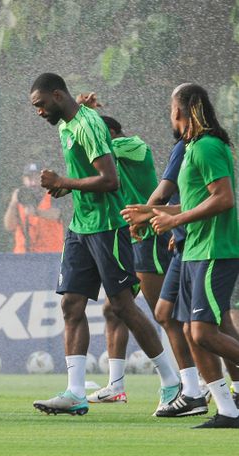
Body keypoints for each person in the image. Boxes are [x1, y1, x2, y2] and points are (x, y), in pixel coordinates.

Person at [28, 73, 180, 416]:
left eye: (41, 104)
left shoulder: (88, 126)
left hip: (108, 227)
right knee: (71, 304)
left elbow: (110, 180)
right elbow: (85, 173)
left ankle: (172, 382)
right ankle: (75, 392)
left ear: (57, 95)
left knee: (123, 307)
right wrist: (66, 187)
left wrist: (64, 180)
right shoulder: (67, 123)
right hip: (80, 226)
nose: (38, 111)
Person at [123, 84, 239, 428]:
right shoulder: (190, 148)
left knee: (203, 333)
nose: (169, 116)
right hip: (193, 252)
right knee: (190, 331)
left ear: (179, 111)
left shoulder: (207, 147)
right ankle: (228, 411)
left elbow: (224, 198)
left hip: (214, 252)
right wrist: (150, 213)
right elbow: (192, 203)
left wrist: (174, 221)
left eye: (171, 110)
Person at [85, 114, 174, 405]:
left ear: (111, 132)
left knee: (166, 314)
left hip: (149, 236)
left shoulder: (133, 145)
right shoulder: (108, 155)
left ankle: (193, 382)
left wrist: (85, 120)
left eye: (99, 134)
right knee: (114, 309)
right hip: (129, 239)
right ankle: (116, 385)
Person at [3, 162, 64, 253]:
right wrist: (13, 203)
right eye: (29, 178)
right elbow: (9, 226)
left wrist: (36, 212)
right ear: (24, 180)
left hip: (49, 255)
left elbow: (56, 214)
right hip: (22, 256)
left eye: (37, 178)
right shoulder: (20, 197)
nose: (33, 182)